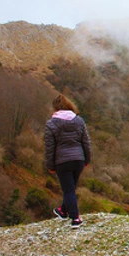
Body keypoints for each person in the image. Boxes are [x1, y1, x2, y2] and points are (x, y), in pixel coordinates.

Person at [44, 94, 92, 229]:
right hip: (78, 159)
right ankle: (63, 211)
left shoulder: (51, 124)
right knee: (70, 189)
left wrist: (50, 165)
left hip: (62, 161)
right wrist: (87, 159)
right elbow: (86, 142)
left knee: (68, 190)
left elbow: (49, 148)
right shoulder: (79, 121)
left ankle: (75, 218)